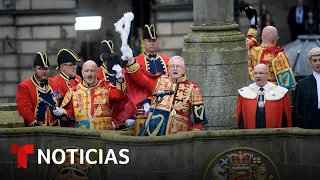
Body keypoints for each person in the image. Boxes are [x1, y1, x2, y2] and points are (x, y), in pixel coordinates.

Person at [123, 54, 208, 136]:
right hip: (153, 134)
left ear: (184, 69)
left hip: (179, 135)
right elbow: (140, 77)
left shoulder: (192, 88)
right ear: (168, 69)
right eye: (172, 66)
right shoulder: (159, 81)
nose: (175, 69)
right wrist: (131, 60)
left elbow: (199, 119)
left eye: (178, 66)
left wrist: (195, 138)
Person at [240, 1, 295, 89]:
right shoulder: (278, 56)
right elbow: (287, 85)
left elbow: (250, 39)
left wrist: (253, 23)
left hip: (254, 93)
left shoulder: (251, 50)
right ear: (275, 40)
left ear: (261, 37)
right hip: (272, 97)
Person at [59, 60, 126, 130]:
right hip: (82, 135)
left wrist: (120, 79)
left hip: (104, 134)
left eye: (92, 71)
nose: (89, 74)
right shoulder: (73, 91)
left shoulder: (106, 87)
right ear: (82, 73)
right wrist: (63, 112)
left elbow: (119, 95)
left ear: (97, 73)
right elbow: (69, 113)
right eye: (86, 71)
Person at [126, 24, 170, 114]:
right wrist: (144, 102)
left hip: (166, 101)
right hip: (144, 103)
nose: (152, 43)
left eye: (154, 41)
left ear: (157, 43)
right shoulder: (136, 61)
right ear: (143, 43)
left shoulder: (167, 60)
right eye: (149, 41)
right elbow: (133, 86)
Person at [16, 52, 65, 127]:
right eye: (40, 69)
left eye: (46, 69)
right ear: (34, 69)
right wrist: (36, 127)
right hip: (36, 130)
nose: (43, 72)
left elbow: (60, 101)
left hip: (56, 128)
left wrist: (62, 113)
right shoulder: (24, 86)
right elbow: (25, 110)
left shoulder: (56, 84)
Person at [236, 64, 292, 129]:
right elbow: (240, 118)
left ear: (268, 75)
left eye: (261, 73)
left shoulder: (281, 92)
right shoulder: (244, 93)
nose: (258, 76)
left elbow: (286, 118)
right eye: (255, 73)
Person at [97, 40, 136, 128]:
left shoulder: (122, 70)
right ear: (101, 58)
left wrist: (130, 115)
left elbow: (129, 93)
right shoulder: (97, 73)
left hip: (124, 115)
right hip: (106, 113)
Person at [294, 47, 320, 129]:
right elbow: (298, 109)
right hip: (310, 123)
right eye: (315, 60)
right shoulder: (302, 84)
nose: (318, 63)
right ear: (310, 62)